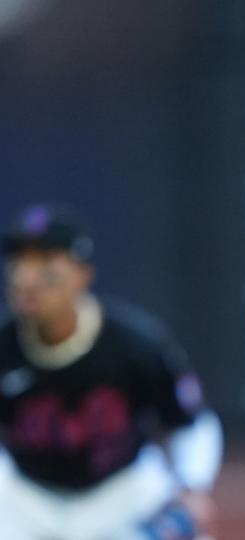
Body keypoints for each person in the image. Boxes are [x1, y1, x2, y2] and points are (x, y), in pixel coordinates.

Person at [0, 203, 224, 540]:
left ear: (81, 275)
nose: (26, 277)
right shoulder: (4, 345)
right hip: (28, 496)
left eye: (45, 263)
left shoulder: (134, 344)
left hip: (121, 492)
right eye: (19, 263)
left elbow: (191, 423)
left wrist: (192, 487)